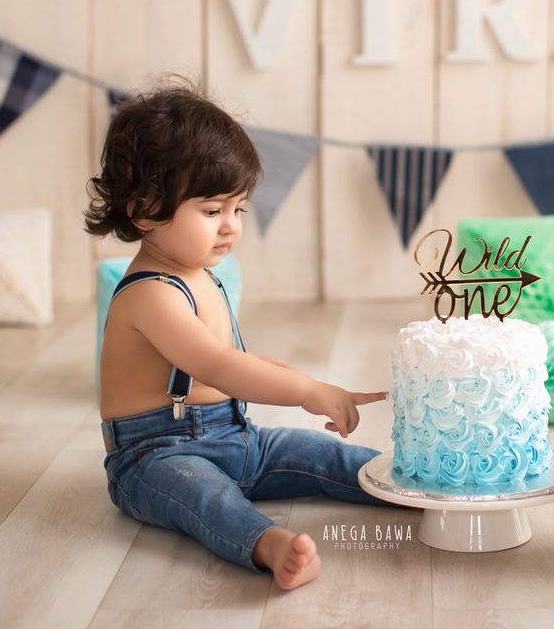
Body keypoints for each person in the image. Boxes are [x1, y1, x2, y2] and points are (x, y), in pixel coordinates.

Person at [83, 79, 392, 590]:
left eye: (237, 209)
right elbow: (217, 367)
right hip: (157, 456)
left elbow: (222, 359)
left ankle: (405, 483)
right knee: (206, 497)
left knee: (325, 456)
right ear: (143, 210)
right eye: (211, 211)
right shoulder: (150, 294)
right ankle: (268, 544)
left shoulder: (200, 273)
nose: (230, 226)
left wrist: (273, 369)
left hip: (235, 436)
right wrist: (309, 391)